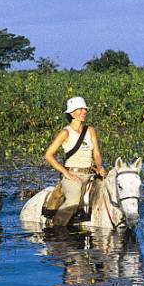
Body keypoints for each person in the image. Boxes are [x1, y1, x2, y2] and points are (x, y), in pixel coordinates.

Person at [43, 96, 106, 227]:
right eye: (80, 109)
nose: (84, 111)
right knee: (73, 200)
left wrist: (100, 167)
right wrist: (66, 173)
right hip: (73, 175)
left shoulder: (90, 130)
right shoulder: (65, 133)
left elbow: (96, 153)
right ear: (72, 113)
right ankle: (56, 227)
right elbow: (48, 155)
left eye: (85, 109)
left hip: (91, 173)